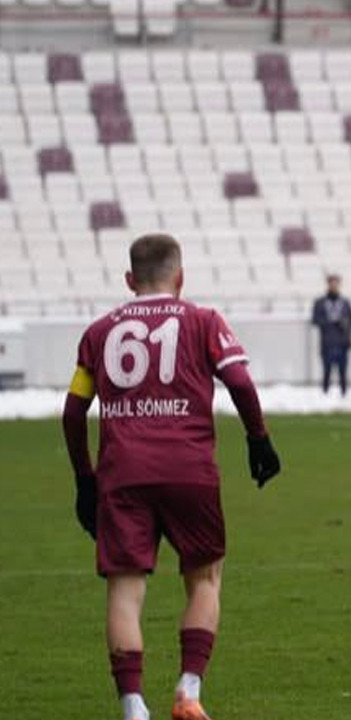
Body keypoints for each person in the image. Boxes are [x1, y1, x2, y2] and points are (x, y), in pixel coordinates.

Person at [61, 234, 282, 720]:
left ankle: (133, 707)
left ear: (128, 280)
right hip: (189, 470)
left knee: (124, 589)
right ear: (180, 278)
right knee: (204, 578)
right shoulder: (203, 321)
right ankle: (188, 689)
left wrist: (84, 478)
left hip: (123, 475)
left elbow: (74, 411)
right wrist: (258, 439)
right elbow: (240, 381)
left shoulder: (98, 333)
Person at [311, 274, 351, 396]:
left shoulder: (345, 302)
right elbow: (315, 320)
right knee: (327, 371)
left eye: (336, 284)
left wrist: (346, 327)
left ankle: (344, 395)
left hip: (342, 342)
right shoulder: (320, 302)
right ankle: (325, 394)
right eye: (332, 283)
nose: (334, 286)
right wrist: (330, 322)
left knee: (343, 372)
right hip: (327, 342)